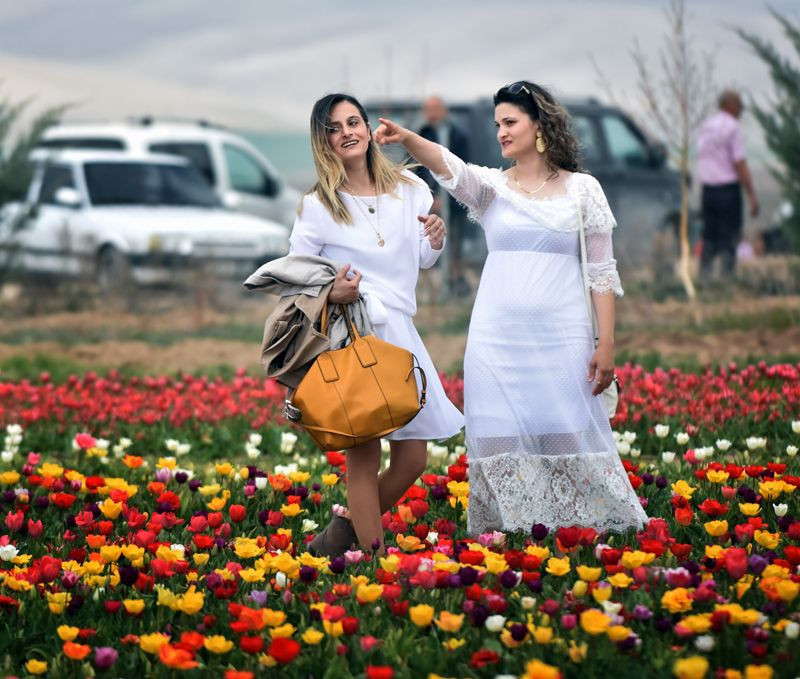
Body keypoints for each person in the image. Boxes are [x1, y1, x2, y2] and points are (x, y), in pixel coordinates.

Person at [374, 81, 648, 536]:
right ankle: (512, 534)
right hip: (495, 342)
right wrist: (406, 138)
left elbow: (601, 274)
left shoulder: (584, 191)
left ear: (538, 125)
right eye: (496, 124)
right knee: (497, 437)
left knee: (563, 436)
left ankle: (576, 535)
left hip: (564, 338)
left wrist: (606, 345)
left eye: (509, 122)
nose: (500, 132)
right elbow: (450, 168)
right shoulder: (491, 189)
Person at [290, 93, 464, 557]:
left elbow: (423, 260)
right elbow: (296, 279)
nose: (347, 131)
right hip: (352, 337)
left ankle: (344, 535)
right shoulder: (318, 206)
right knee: (362, 458)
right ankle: (374, 560)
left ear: (368, 129)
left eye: (353, 121)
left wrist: (437, 239)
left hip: (401, 335)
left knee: (412, 457)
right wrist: (331, 293)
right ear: (323, 141)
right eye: (334, 127)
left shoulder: (410, 188)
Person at [696, 90, 759, 277]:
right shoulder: (733, 127)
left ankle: (704, 276)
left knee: (709, 236)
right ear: (730, 105)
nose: (741, 109)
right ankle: (727, 279)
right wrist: (751, 195)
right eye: (739, 105)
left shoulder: (706, 125)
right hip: (728, 190)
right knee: (730, 237)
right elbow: (739, 161)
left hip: (708, 190)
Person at [416, 96, 472, 297]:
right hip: (428, 201)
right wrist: (427, 196)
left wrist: (444, 197)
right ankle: (429, 288)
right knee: (425, 241)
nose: (430, 114)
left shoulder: (457, 136)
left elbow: (462, 171)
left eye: (434, 109)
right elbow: (418, 168)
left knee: (454, 243)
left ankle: (457, 282)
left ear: (443, 111)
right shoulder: (423, 134)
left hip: (454, 204)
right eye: (427, 110)